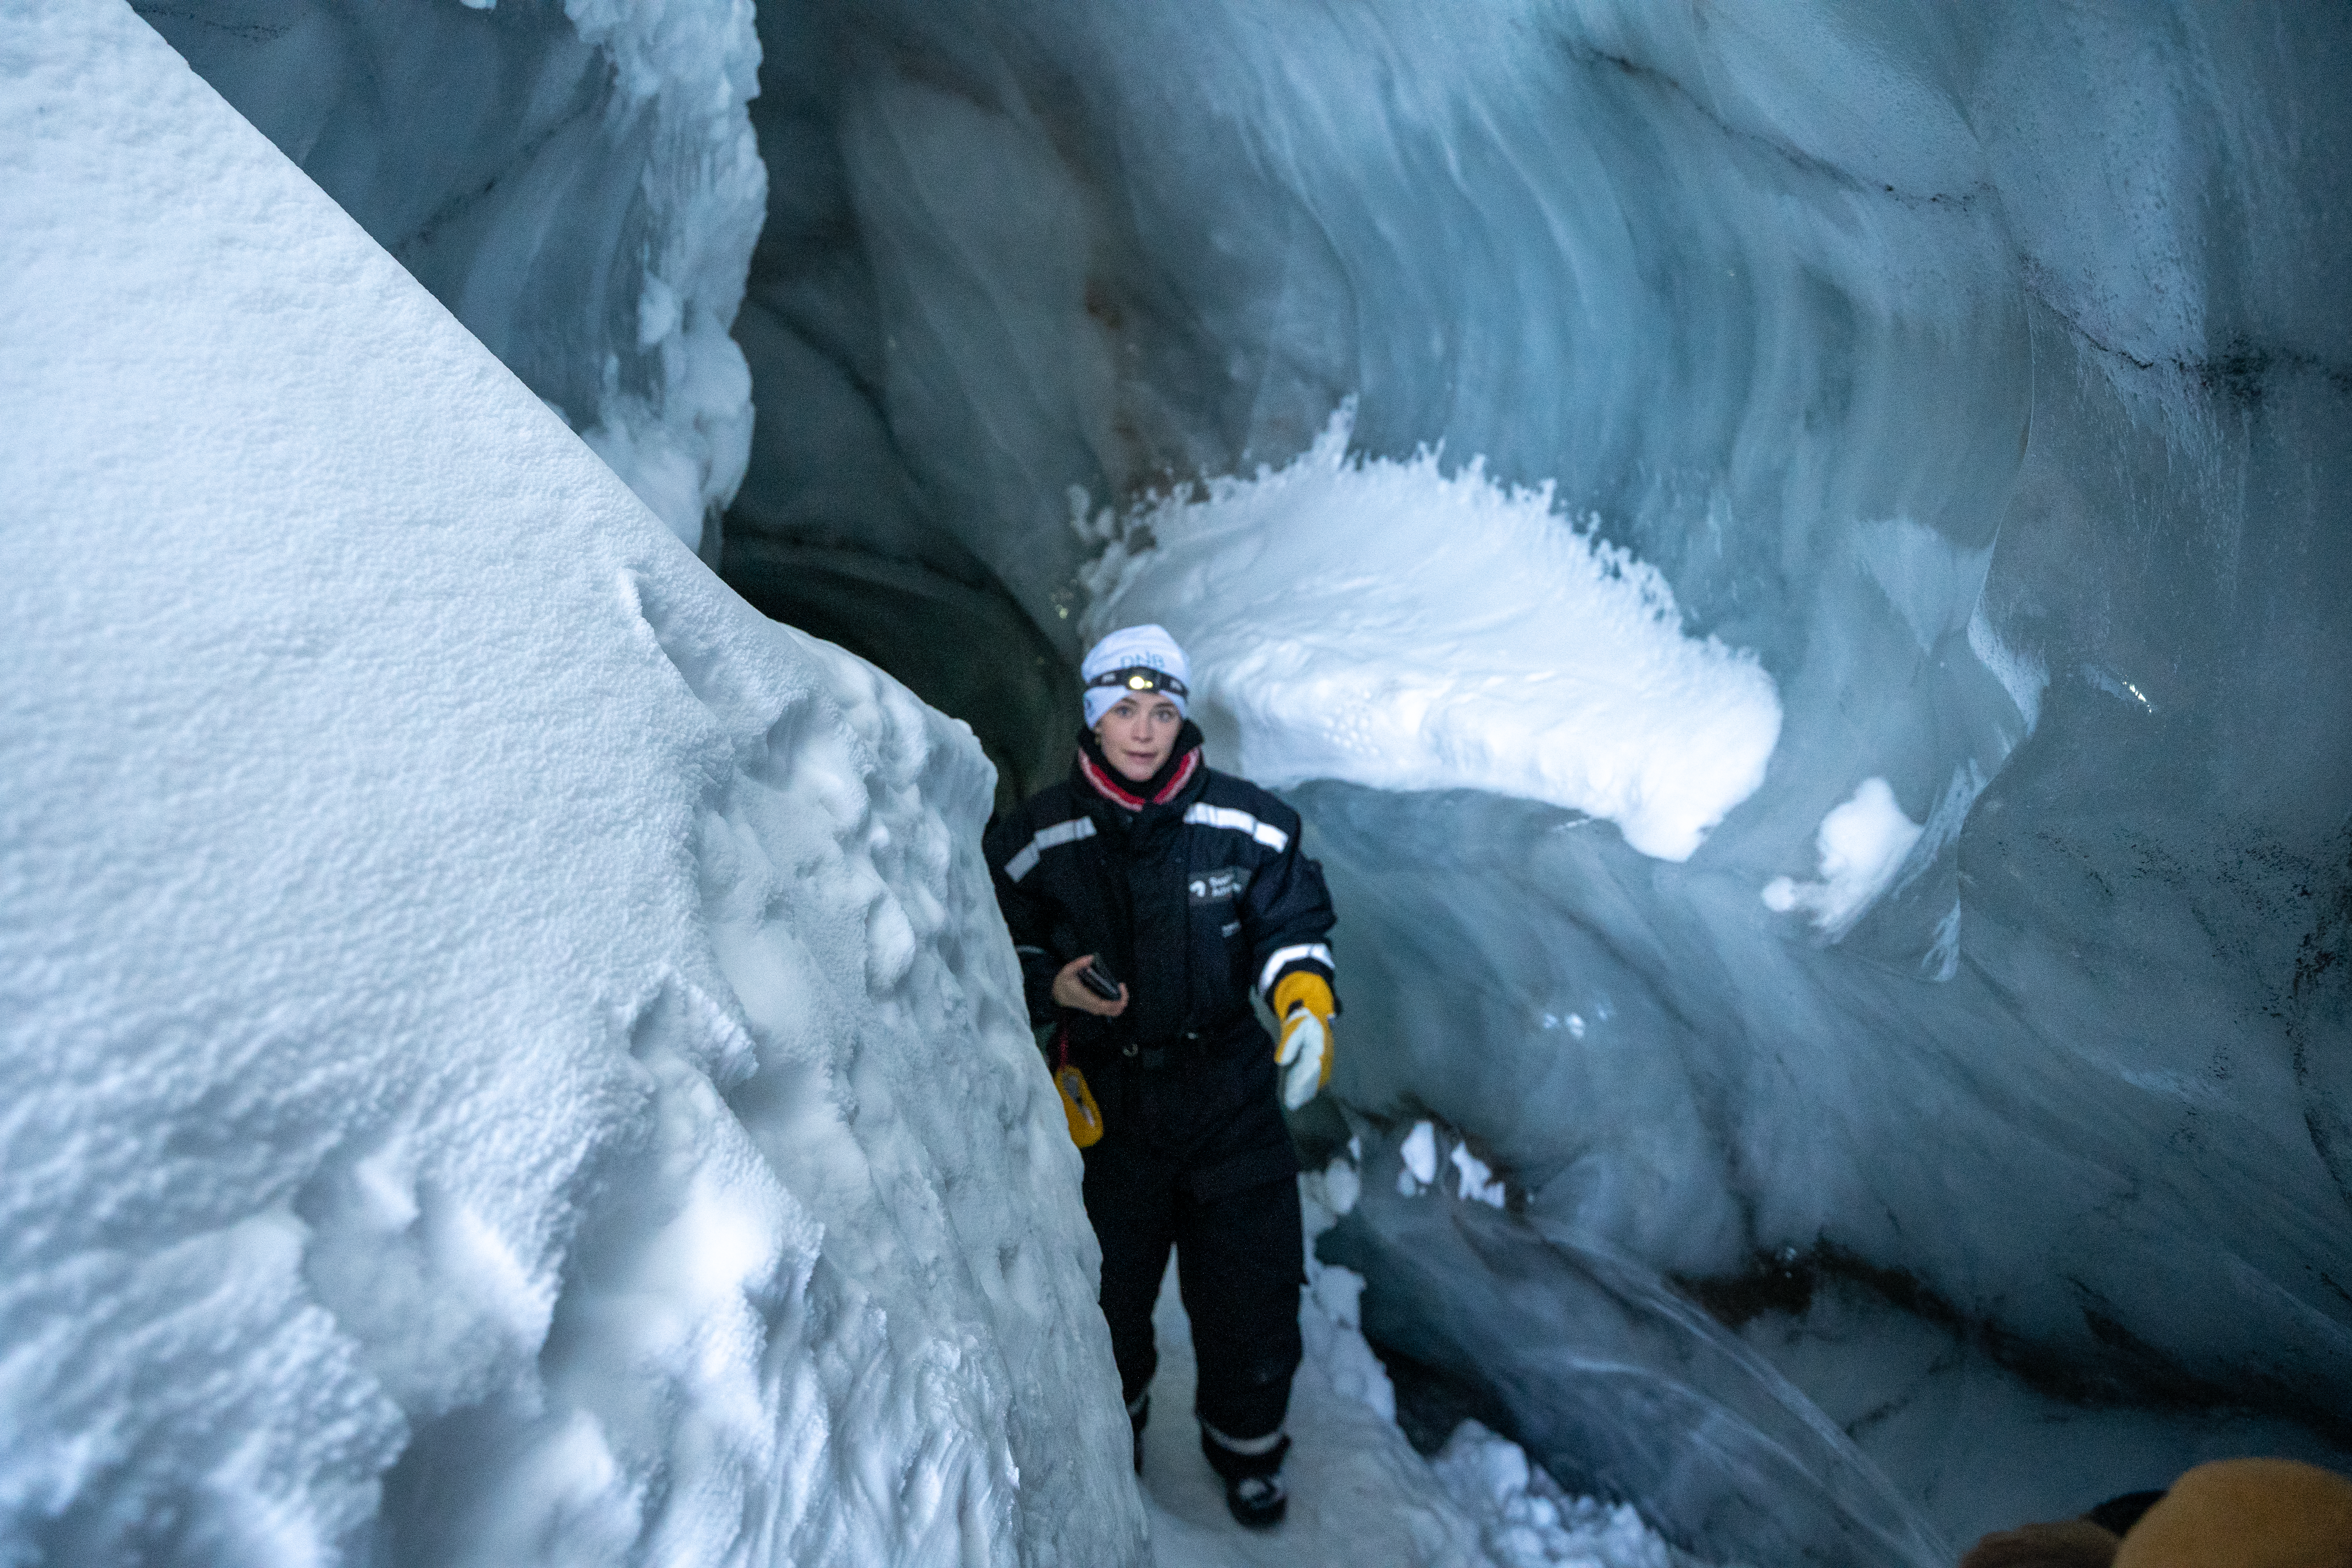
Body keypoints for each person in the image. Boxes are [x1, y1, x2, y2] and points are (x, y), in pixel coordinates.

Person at [985, 623, 1339, 1530]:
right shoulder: (1034, 838)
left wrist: (1303, 1002)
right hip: (1106, 1102)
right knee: (1111, 1295)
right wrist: (1050, 982)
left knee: (1252, 1292)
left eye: (1162, 710)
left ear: (1183, 718)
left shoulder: (1250, 823)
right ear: (1094, 717)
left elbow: (1289, 925)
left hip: (1229, 1095)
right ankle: (1121, 1437)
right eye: (1124, 710)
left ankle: (1247, 1448)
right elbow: (995, 939)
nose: (1144, 730)